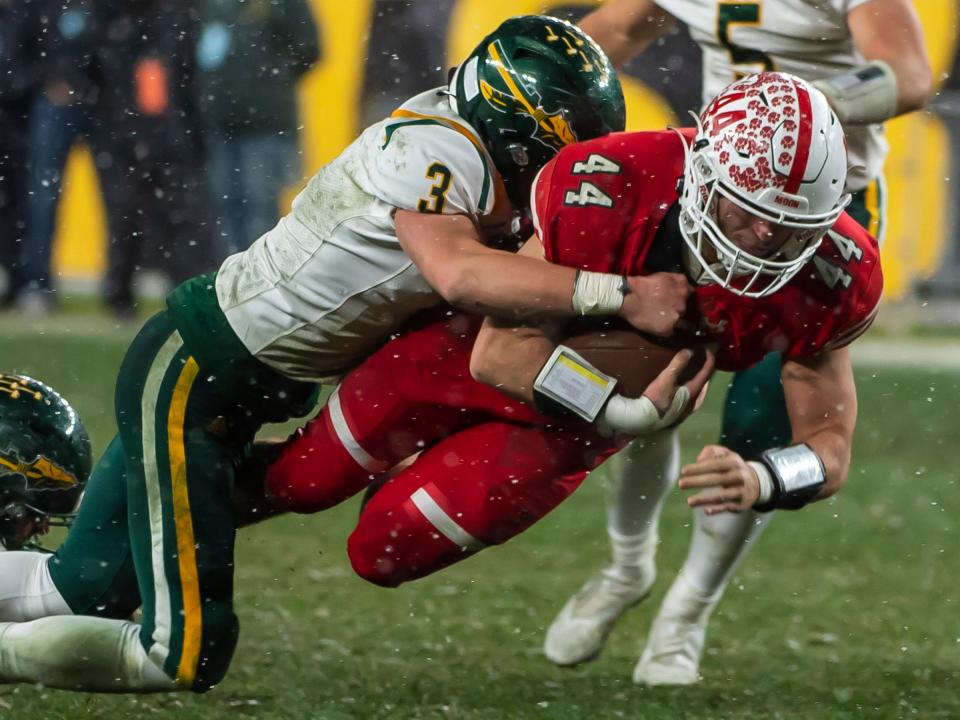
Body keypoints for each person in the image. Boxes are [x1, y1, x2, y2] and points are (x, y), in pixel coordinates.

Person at [0, 74, 881, 686]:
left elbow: (830, 443)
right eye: (747, 212)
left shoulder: (833, 271)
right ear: (702, 170)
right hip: (462, 363)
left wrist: (771, 474)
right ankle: (117, 534)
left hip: (554, 435)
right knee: (289, 482)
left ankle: (115, 541)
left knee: (378, 553)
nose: (762, 244)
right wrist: (619, 399)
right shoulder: (611, 181)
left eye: (789, 227)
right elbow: (499, 352)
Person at [543, 0, 933, 686]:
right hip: (710, 196)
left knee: (760, 427)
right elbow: (612, 36)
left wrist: (795, 117)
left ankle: (689, 607)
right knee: (648, 381)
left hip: (823, 216)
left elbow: (907, 74)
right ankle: (627, 564)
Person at [195, 0, 320, 257]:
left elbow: (310, 49)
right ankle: (227, 281)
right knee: (224, 205)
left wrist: (271, 81)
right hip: (219, 121)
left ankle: (259, 279)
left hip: (265, 123)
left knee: (259, 206)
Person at [10, 0, 104, 314]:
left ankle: (118, 288)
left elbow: (112, 40)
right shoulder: (42, 7)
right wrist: (52, 80)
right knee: (43, 196)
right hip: (52, 103)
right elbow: (27, 42)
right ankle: (36, 282)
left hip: (102, 102)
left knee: (117, 196)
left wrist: (85, 84)